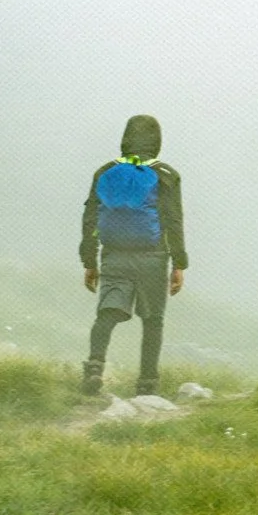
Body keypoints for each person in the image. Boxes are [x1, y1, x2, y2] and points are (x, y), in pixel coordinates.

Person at [79, 114, 188, 397]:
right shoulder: (166, 175)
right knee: (152, 321)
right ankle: (147, 384)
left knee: (107, 313)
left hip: (114, 255)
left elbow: (90, 218)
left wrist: (90, 262)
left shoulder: (106, 172)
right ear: (157, 141)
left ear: (125, 139)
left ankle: (94, 367)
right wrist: (179, 264)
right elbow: (174, 220)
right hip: (153, 257)